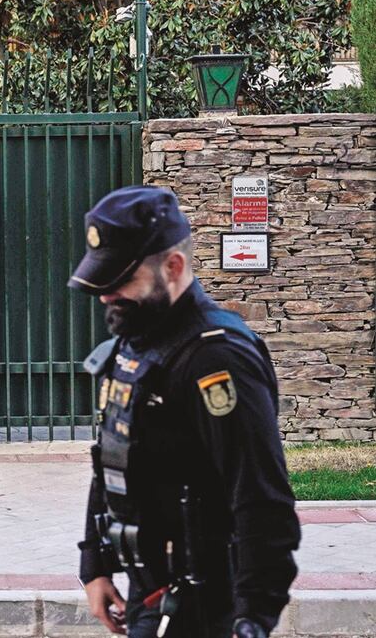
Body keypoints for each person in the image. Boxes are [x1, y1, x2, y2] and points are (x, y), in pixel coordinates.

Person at [68, 185, 300, 638]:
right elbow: (111, 458)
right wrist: (95, 565)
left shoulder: (217, 358)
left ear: (173, 267)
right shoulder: (135, 344)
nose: (105, 296)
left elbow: (261, 496)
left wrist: (253, 619)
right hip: (148, 592)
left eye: (121, 281)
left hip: (208, 605)